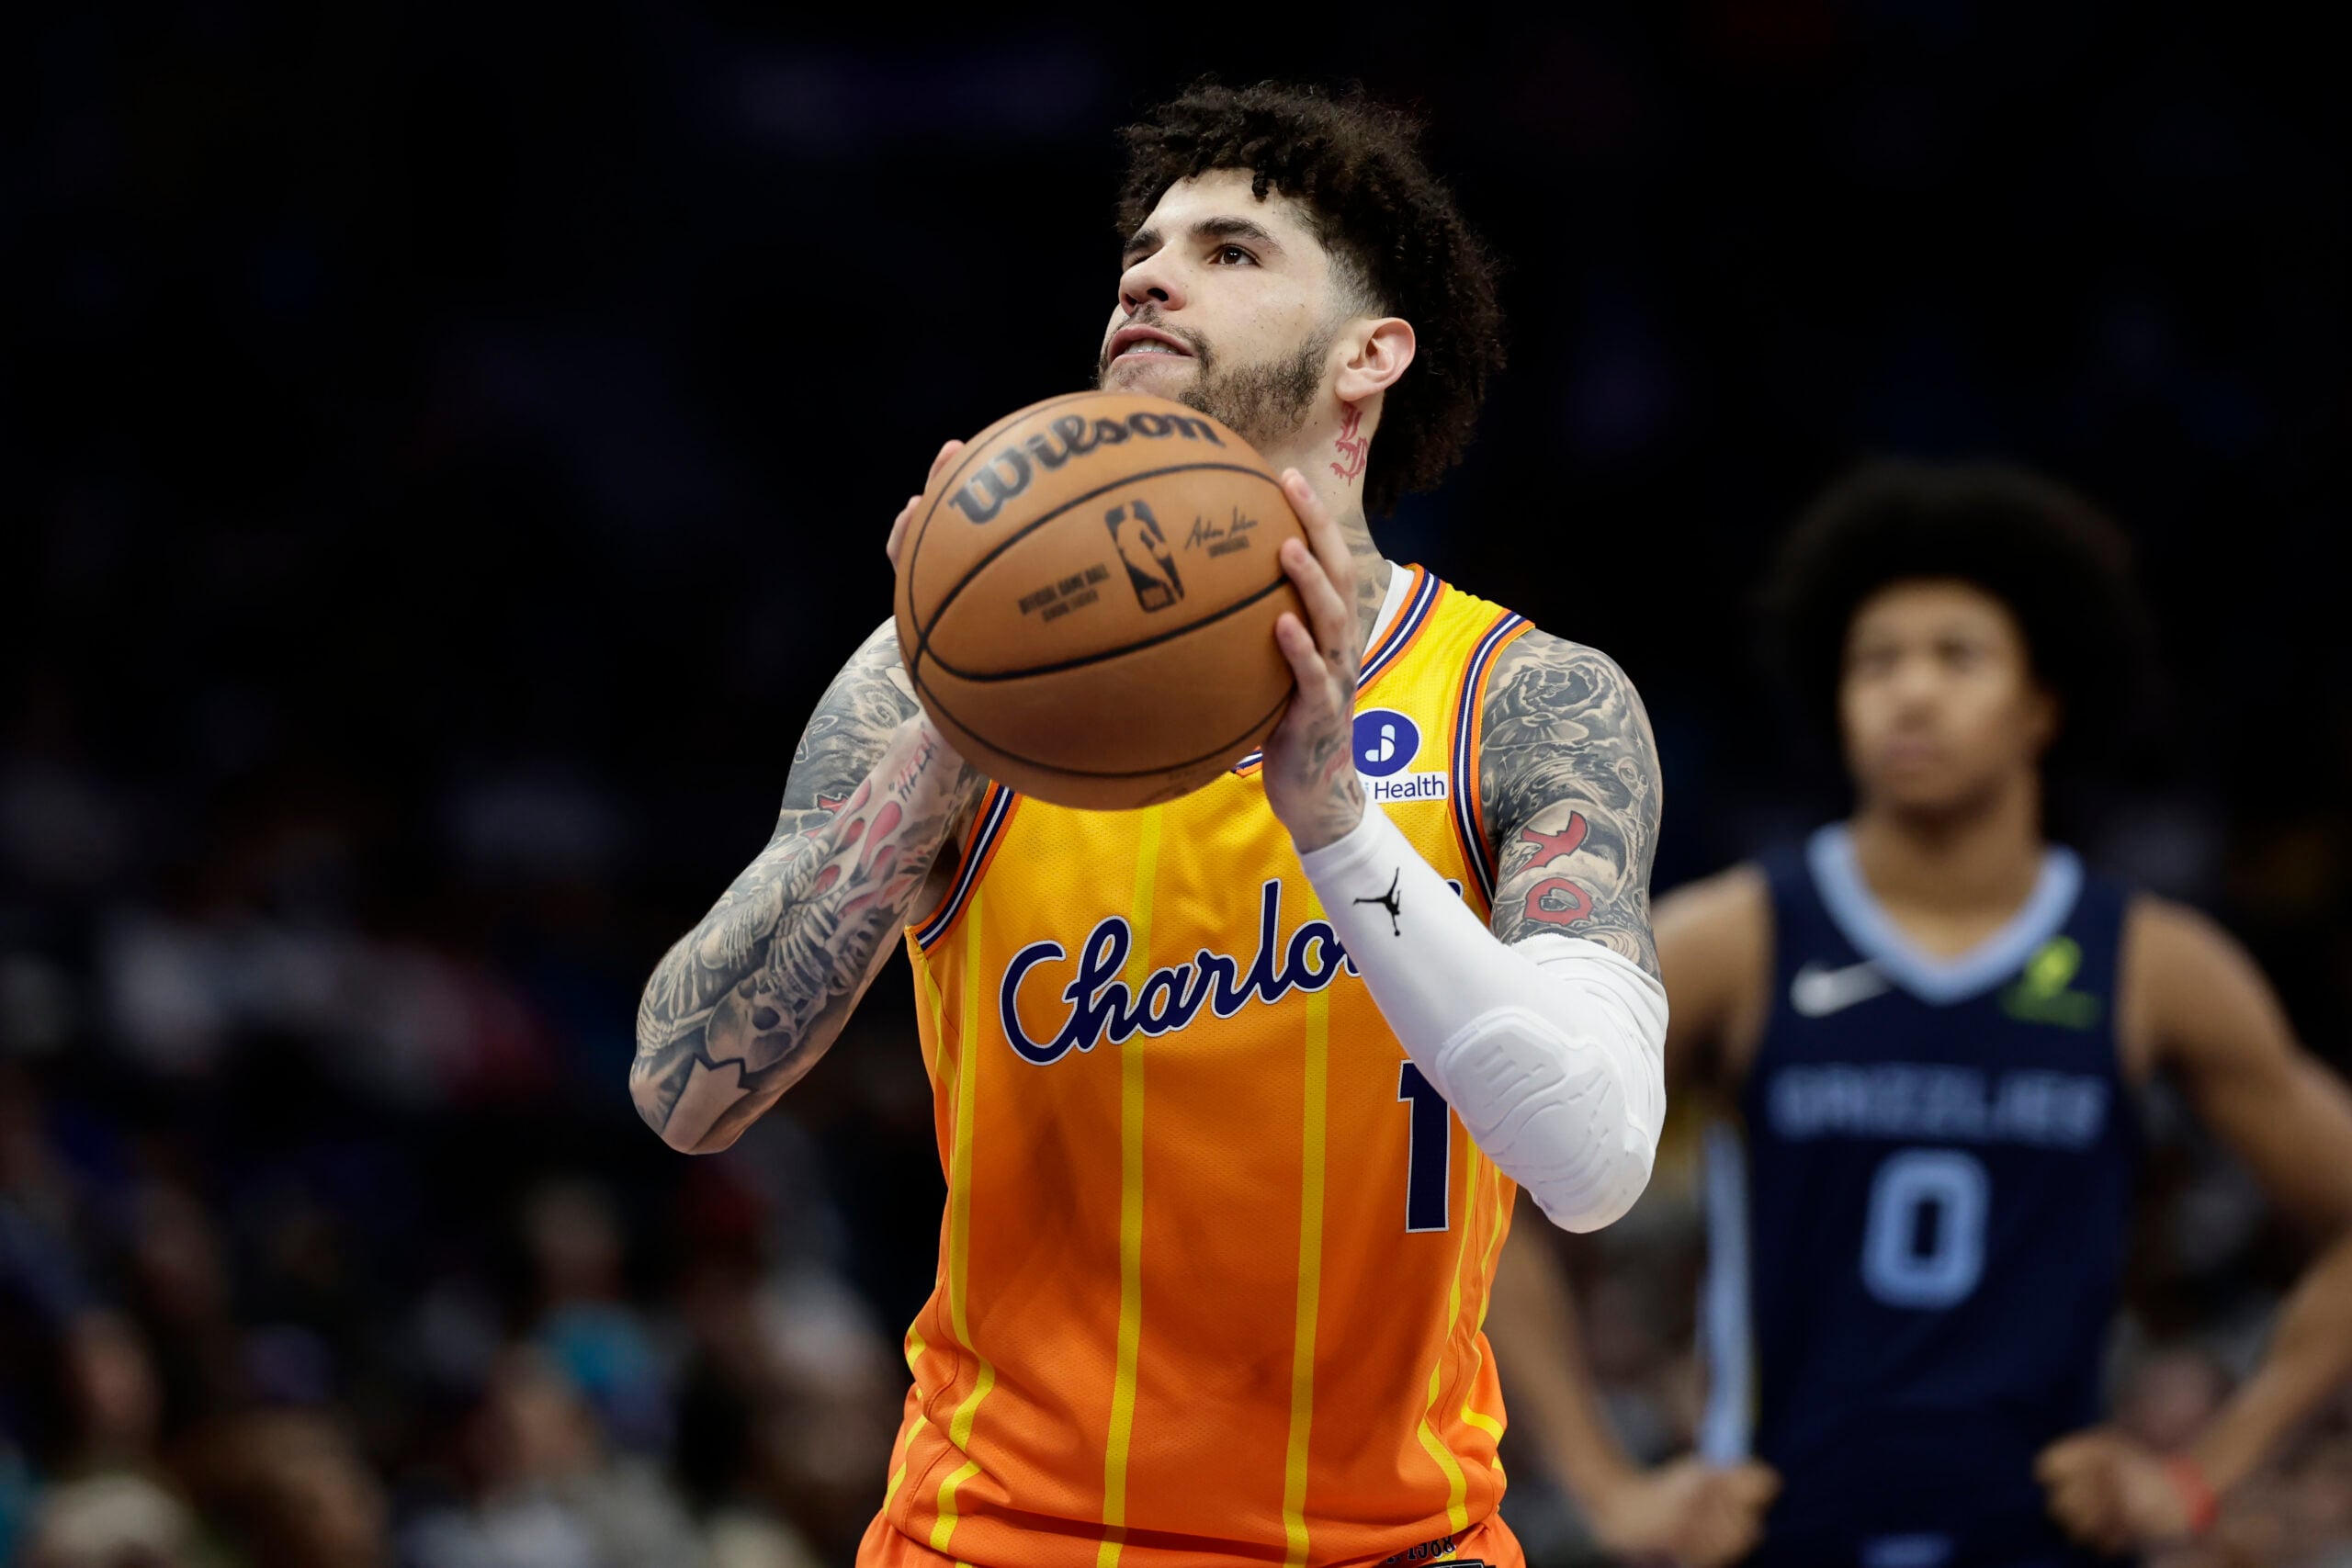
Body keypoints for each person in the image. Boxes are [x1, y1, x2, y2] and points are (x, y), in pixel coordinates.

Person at [630, 83, 1673, 1568]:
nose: (1150, 271)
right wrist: (944, 729)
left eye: (1232, 250)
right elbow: (684, 1083)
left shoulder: (1525, 701)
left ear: (1369, 353)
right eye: (1146, 244)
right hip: (999, 1539)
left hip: (1391, 1543)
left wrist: (1334, 825)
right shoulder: (941, 683)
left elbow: (1595, 1156)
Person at [1485, 462, 2352, 1567]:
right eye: (1875, 662)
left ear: (2041, 703)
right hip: (1779, 1536)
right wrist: (1607, 1487)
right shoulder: (1738, 939)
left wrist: (2196, 1477)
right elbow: (1479, 1182)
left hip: (2045, 1537)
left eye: (1957, 657)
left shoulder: (2151, 966)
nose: (1910, 690)